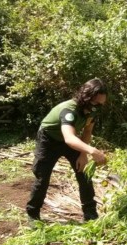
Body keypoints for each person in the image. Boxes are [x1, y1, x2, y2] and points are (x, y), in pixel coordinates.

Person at [26, 78, 107, 222]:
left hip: (71, 140)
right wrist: (93, 151)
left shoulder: (92, 111)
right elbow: (69, 138)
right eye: (95, 103)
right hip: (49, 139)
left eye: (101, 105)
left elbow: (87, 132)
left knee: (84, 173)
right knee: (42, 177)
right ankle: (33, 215)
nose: (97, 107)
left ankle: (90, 214)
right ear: (86, 97)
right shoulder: (69, 110)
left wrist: (83, 154)